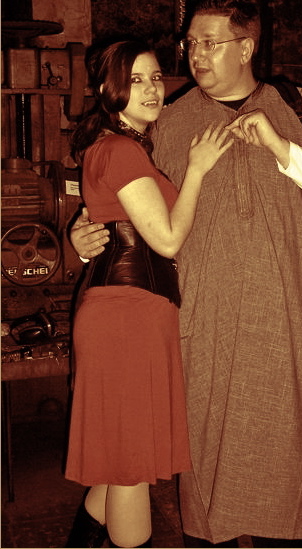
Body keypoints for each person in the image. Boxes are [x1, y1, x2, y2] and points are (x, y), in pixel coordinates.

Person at [70, 0, 302, 548]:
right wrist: (86, 242)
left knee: (282, 460)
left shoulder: (299, 105)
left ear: (246, 47)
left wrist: (280, 146)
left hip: (283, 324)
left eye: (210, 43)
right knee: (204, 468)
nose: (196, 54)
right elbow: (125, 203)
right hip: (200, 326)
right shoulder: (167, 121)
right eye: (191, 43)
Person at [64, 39, 233, 549]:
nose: (151, 88)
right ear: (106, 89)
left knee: (118, 466)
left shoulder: (120, 147)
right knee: (131, 468)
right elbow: (167, 239)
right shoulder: (120, 150)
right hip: (127, 317)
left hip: (128, 312)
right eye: (135, 79)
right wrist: (198, 168)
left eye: (156, 77)